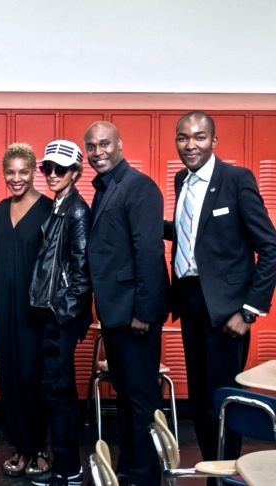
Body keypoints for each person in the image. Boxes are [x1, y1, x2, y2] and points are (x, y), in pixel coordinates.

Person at [166, 112, 276, 470]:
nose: (190, 144)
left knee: (223, 398)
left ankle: (229, 471)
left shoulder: (236, 179)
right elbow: (195, 236)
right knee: (199, 398)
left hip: (227, 309)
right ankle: (212, 470)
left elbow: (270, 247)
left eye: (199, 137)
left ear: (214, 141)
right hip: (191, 300)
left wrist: (248, 311)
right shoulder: (182, 179)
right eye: (183, 138)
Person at [84, 121, 169, 486]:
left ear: (120, 144)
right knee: (127, 393)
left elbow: (149, 252)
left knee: (140, 398)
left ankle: (144, 475)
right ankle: (129, 466)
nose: (98, 152)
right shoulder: (105, 189)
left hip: (134, 315)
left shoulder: (140, 187)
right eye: (91, 146)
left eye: (104, 144)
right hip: (115, 313)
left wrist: (143, 313)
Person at [29, 141, 92, 486]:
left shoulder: (77, 211)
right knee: (55, 390)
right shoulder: (59, 206)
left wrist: (61, 313)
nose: (52, 175)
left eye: (60, 169)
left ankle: (69, 470)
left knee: (60, 392)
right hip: (51, 313)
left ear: (75, 173)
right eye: (47, 168)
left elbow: (83, 274)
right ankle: (65, 465)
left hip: (61, 316)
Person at [0, 143, 52, 478]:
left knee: (34, 379)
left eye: (23, 172)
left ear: (34, 172)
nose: (16, 178)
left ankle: (38, 448)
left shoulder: (49, 209)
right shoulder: (0, 210)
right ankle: (19, 446)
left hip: (36, 312)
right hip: (4, 310)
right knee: (9, 378)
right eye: (11, 172)